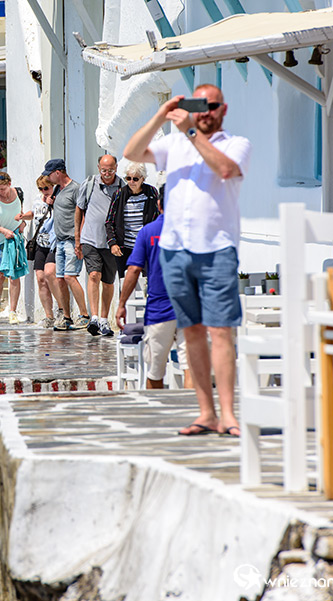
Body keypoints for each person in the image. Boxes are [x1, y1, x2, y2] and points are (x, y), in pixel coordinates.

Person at [123, 83, 251, 437]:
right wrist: (160, 115)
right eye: (200, 105)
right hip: (176, 251)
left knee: (222, 332)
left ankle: (228, 414)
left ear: (222, 110)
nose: (206, 111)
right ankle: (206, 414)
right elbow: (132, 150)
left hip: (217, 250)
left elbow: (226, 170)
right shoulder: (174, 144)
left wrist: (191, 132)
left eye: (212, 106)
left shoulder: (235, 143)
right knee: (192, 333)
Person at [115, 194, 190, 389]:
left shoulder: (148, 232)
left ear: (159, 204)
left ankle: (156, 415)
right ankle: (193, 414)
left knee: (155, 371)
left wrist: (121, 304)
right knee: (191, 368)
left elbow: (133, 269)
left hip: (160, 309)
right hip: (189, 308)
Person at [75, 154, 123, 337]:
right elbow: (79, 210)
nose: (107, 173)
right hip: (90, 239)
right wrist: (77, 239)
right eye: (104, 170)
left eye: (110, 170)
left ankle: (104, 319)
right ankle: (94, 317)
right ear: (98, 168)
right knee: (94, 274)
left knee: (108, 282)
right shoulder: (88, 184)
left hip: (111, 243)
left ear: (116, 168)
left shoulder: (122, 186)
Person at [44, 159, 89, 331]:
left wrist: (79, 240)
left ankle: (84, 315)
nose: (48, 178)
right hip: (60, 241)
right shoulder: (58, 189)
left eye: (49, 174)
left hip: (72, 240)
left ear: (58, 172)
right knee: (60, 279)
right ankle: (67, 317)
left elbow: (82, 215)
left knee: (71, 277)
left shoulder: (75, 188)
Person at [19, 175, 63, 328]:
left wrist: (54, 203)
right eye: (41, 188)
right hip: (40, 244)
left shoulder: (58, 200)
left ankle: (62, 310)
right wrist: (24, 216)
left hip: (53, 243)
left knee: (51, 274)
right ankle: (48, 315)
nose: (44, 191)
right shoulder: (38, 200)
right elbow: (35, 213)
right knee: (40, 278)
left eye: (47, 188)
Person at [0, 172, 29, 324]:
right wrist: (4, 231)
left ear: (9, 184)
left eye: (3, 188)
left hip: (14, 239)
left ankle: (13, 311)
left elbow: (22, 215)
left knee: (14, 276)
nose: (0, 192)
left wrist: (23, 224)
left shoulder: (19, 194)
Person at [105, 162, 160, 280]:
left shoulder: (151, 193)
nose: (131, 182)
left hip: (146, 246)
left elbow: (158, 218)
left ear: (143, 179)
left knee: (148, 280)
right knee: (125, 282)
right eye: (128, 178)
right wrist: (113, 243)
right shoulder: (119, 194)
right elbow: (109, 221)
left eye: (135, 179)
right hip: (124, 248)